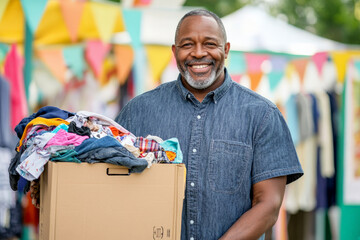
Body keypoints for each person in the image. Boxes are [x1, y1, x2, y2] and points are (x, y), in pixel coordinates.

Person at [114, 9, 303, 240]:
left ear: (226, 50)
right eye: (187, 44)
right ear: (175, 52)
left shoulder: (262, 115)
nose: (198, 53)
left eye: (210, 43)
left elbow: (269, 205)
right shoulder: (138, 112)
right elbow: (115, 188)